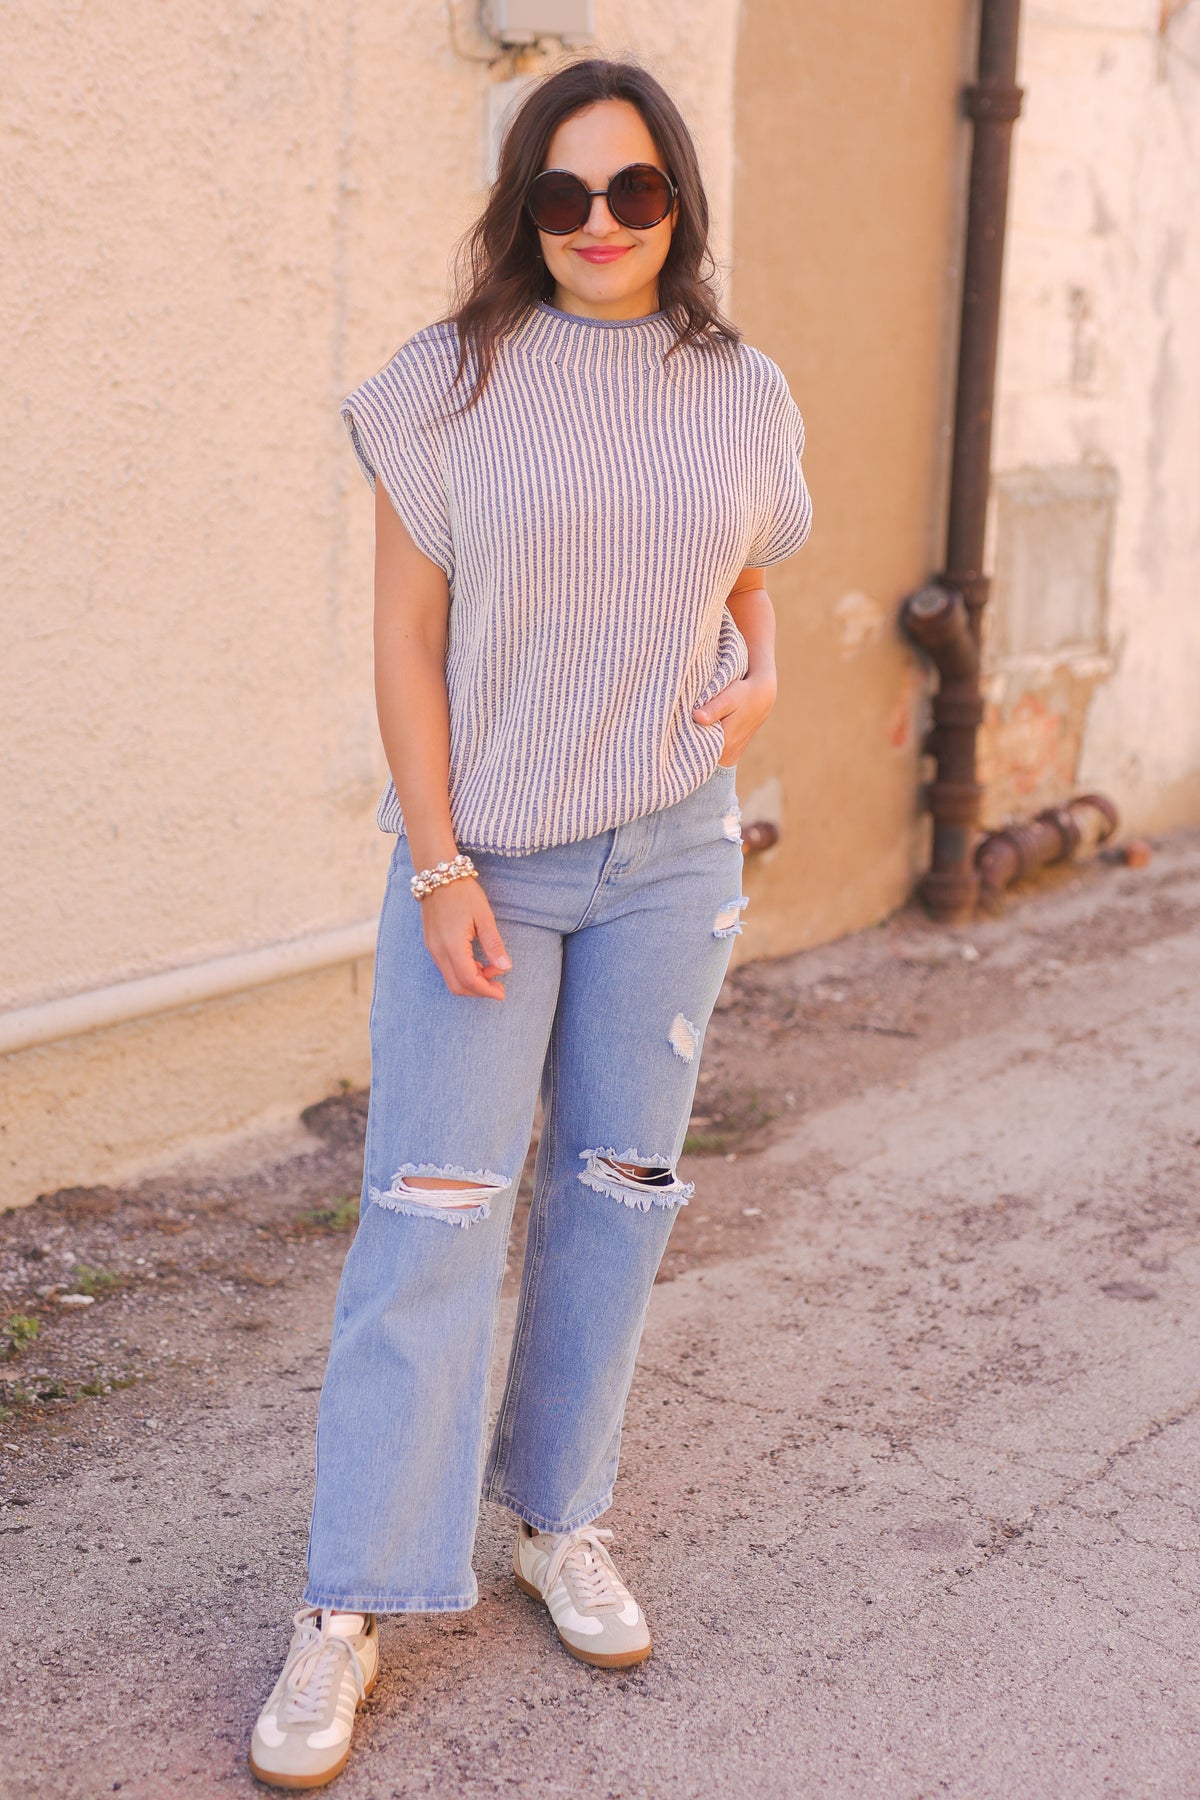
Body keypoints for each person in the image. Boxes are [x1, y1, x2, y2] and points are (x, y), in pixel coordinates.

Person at [249, 54, 811, 1790]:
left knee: (619, 1194)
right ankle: (351, 1596)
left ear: (678, 204)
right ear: (523, 206)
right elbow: (405, 646)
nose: (597, 225)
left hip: (670, 858)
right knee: (429, 1211)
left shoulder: (741, 387)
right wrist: (435, 860)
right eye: (562, 195)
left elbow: (740, 580)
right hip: (485, 860)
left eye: (633, 192)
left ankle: (562, 1518)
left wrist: (766, 675)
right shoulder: (443, 386)